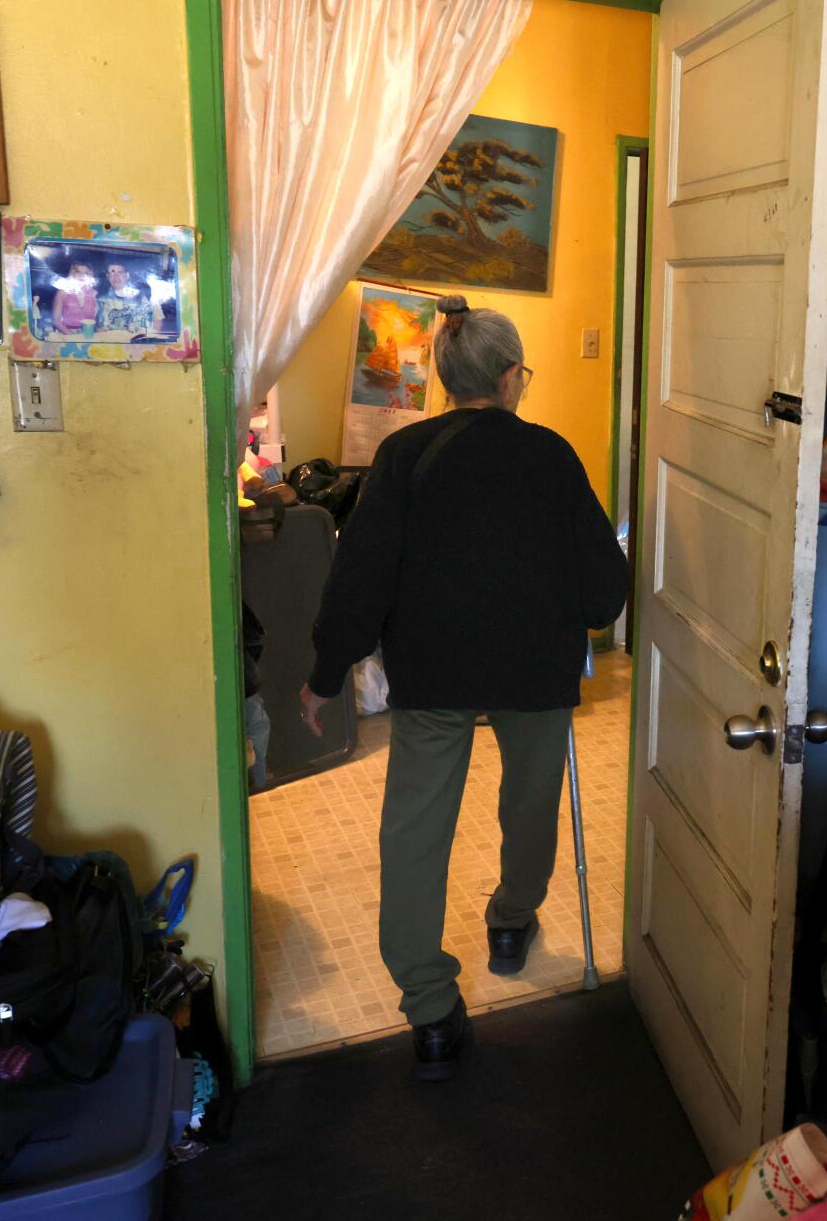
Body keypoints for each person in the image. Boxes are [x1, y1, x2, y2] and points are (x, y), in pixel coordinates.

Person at [299, 294, 630, 1081]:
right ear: (513, 377)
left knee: (414, 826)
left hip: (433, 670)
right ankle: (512, 921)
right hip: (533, 671)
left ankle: (430, 1010)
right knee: (530, 798)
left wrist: (324, 677)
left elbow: (360, 578)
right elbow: (603, 597)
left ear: (447, 378)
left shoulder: (404, 456)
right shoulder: (551, 455)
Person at [96, 261, 161, 336]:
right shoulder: (102, 300)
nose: (116, 277)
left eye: (120, 272)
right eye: (112, 273)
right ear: (107, 276)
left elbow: (158, 319)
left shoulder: (145, 294)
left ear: (127, 275)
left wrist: (151, 339)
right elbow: (100, 329)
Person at [50, 260, 97, 334]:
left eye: (86, 273)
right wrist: (72, 337)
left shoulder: (95, 294)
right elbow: (56, 321)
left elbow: (99, 322)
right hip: (65, 334)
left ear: (90, 275)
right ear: (72, 273)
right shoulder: (62, 292)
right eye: (77, 272)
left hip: (89, 335)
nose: (82, 275)